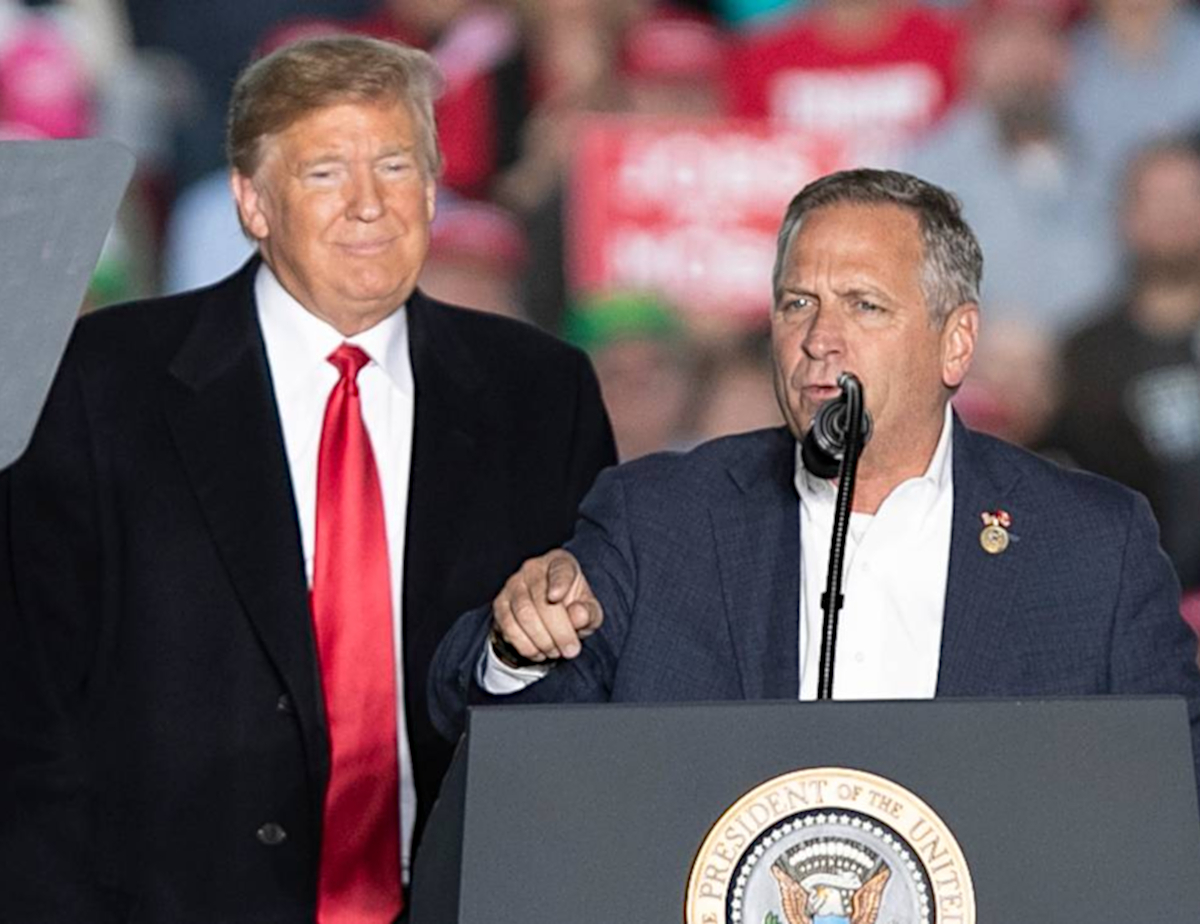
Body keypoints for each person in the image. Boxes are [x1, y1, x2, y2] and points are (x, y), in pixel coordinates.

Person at [0, 36, 615, 924]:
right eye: (326, 171)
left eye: (396, 164)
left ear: (435, 190)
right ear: (253, 201)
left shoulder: (541, 394)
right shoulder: (101, 382)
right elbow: (28, 710)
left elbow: (589, 686)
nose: (369, 205)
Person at [429, 170, 1200, 797]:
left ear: (956, 344)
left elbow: (1172, 784)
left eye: (864, 306)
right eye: (798, 304)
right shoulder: (657, 517)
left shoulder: (1090, 546)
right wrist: (518, 643)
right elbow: (483, 722)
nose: (817, 340)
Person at [1051, 139, 1200, 592]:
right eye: (1156, 199)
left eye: (1188, 195)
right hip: (1138, 598)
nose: (1173, 213)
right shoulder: (1084, 354)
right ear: (1124, 217)